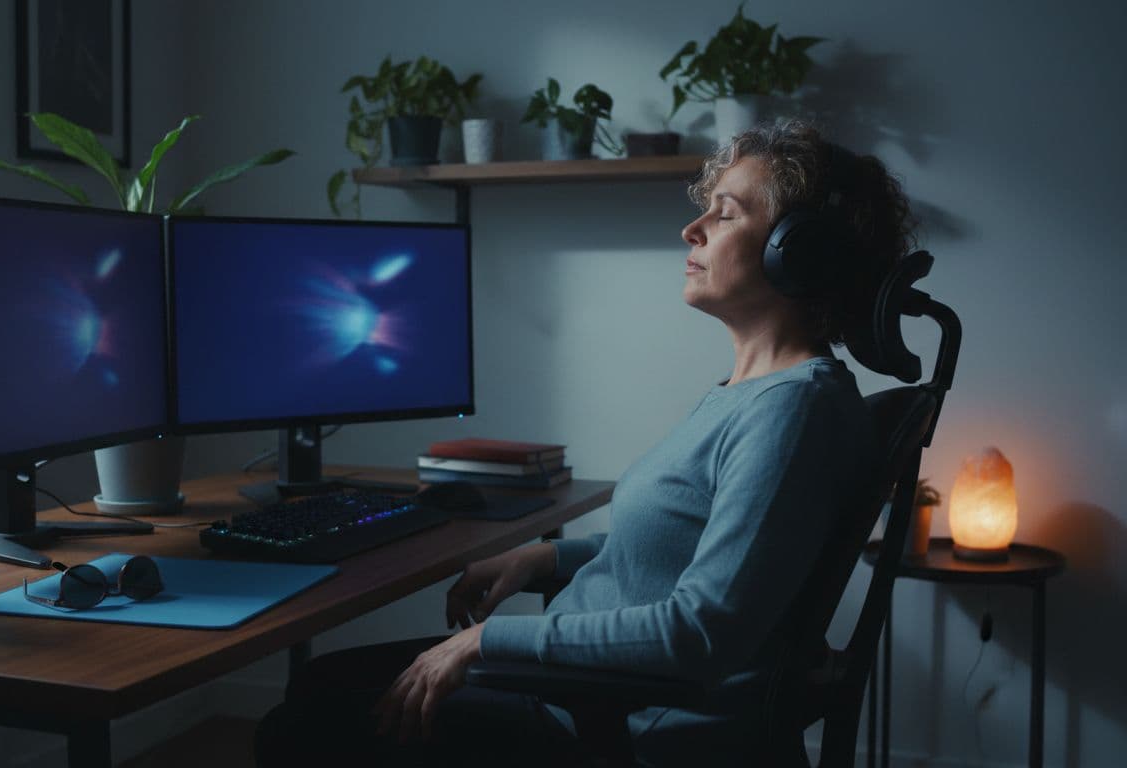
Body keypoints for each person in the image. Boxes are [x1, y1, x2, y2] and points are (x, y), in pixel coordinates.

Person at [254, 120, 917, 767]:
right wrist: (545, 558)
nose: (692, 230)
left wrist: (488, 641)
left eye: (726, 214)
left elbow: (700, 632)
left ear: (797, 251)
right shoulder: (753, 395)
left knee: (302, 725)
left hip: (618, 722)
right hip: (581, 690)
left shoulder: (790, 414)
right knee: (325, 680)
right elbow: (678, 548)